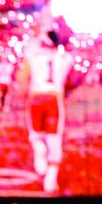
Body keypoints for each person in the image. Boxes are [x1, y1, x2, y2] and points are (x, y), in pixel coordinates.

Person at [15, 28, 74, 192]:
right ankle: (50, 180)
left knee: (36, 136)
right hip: (54, 98)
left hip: (36, 97)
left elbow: (21, 76)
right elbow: (72, 80)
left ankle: (39, 149)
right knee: (55, 140)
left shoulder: (33, 56)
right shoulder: (65, 58)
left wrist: (25, 92)